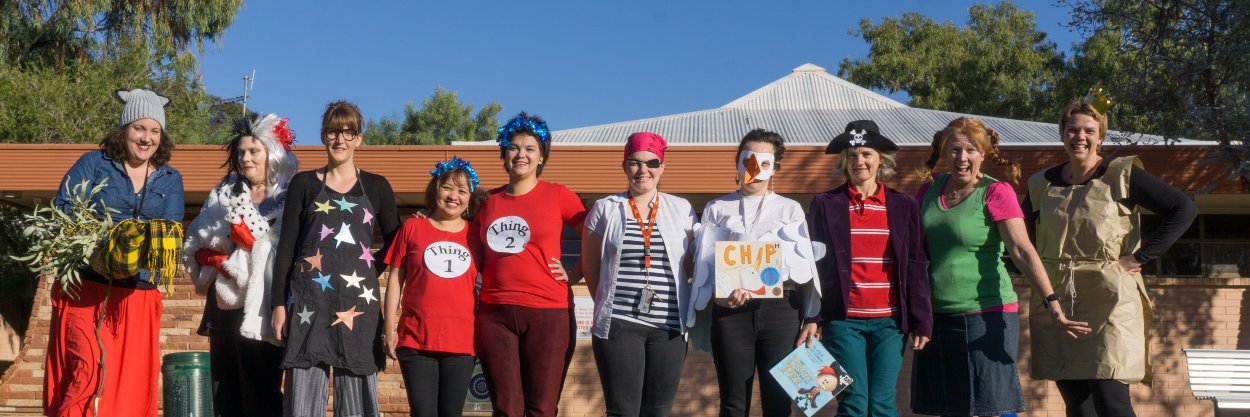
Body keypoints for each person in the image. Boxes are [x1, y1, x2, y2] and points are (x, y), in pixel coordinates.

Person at [1024, 98, 1196, 417]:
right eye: (1072, 130)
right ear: (1062, 133)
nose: (1080, 137)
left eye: (1089, 131)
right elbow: (1023, 242)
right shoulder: (1040, 185)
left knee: (1111, 401)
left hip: (1111, 300)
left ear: (1100, 137)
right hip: (1061, 301)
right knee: (1079, 405)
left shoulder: (1122, 173)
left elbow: (1183, 209)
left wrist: (1140, 257)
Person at [910, 117, 1090, 417]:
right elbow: (913, 251)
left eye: (971, 150)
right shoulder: (928, 189)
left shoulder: (995, 192)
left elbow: (1022, 250)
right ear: (944, 152)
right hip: (937, 318)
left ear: (983, 154)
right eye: (955, 149)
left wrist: (1053, 303)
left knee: (993, 404)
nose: (962, 158)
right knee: (950, 408)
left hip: (986, 315)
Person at [45, 88, 184, 417]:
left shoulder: (170, 178)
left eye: (154, 130)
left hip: (138, 294)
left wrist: (136, 245)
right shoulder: (94, 164)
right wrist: (105, 241)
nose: (146, 138)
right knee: (86, 370)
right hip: (87, 289)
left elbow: (171, 229)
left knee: (130, 385)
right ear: (124, 130)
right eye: (139, 128)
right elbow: (65, 209)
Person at [269, 101, 400, 417]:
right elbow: (286, 248)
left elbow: (398, 243)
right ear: (323, 136)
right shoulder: (303, 184)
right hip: (309, 304)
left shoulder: (378, 186)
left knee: (358, 405)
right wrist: (278, 306)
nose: (340, 139)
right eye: (332, 131)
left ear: (359, 139)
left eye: (348, 132)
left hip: (359, 306)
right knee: (301, 403)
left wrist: (369, 268)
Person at [807, 120, 931, 417]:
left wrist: (922, 320)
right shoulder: (825, 204)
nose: (859, 161)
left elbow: (916, 264)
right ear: (844, 161)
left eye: (866, 154)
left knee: (882, 403)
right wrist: (812, 316)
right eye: (852, 155)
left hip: (890, 323)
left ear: (881, 160)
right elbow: (812, 264)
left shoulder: (904, 206)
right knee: (853, 403)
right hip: (842, 320)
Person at [696, 128, 822, 417]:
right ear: (737, 162)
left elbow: (804, 269)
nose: (755, 168)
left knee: (778, 404)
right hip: (730, 313)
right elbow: (705, 266)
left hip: (781, 313)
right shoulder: (716, 208)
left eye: (764, 162)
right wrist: (718, 297)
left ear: (776, 168)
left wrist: (813, 318)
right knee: (733, 403)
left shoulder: (791, 209)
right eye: (748, 160)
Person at [184, 113, 299, 417]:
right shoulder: (224, 192)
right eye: (241, 152)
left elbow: (290, 251)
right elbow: (197, 238)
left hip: (262, 307)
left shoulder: (290, 196)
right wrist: (212, 257)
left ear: (272, 153)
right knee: (224, 393)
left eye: (254, 151)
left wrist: (252, 244)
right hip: (224, 305)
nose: (246, 158)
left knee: (260, 391)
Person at [475, 112, 586, 417]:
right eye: (513, 147)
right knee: (506, 408)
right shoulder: (486, 202)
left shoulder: (558, 195)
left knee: (542, 408)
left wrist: (576, 273)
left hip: (548, 312)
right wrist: (427, 221)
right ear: (504, 154)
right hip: (494, 314)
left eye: (530, 148)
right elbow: (460, 235)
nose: (520, 154)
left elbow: (596, 234)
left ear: (541, 157)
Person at [582, 132, 696, 417]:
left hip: (670, 327)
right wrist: (607, 304)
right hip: (620, 324)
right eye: (634, 162)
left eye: (651, 163)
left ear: (662, 167)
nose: (643, 170)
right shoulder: (605, 208)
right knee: (623, 411)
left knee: (658, 412)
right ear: (624, 166)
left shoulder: (681, 208)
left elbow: (690, 265)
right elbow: (591, 267)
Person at [382, 157, 485, 417]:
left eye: (462, 191)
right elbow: (395, 279)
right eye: (447, 187)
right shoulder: (412, 227)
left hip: (462, 343)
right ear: (435, 190)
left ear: (469, 198)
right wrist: (389, 330)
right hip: (415, 340)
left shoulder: (478, 235)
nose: (453, 196)